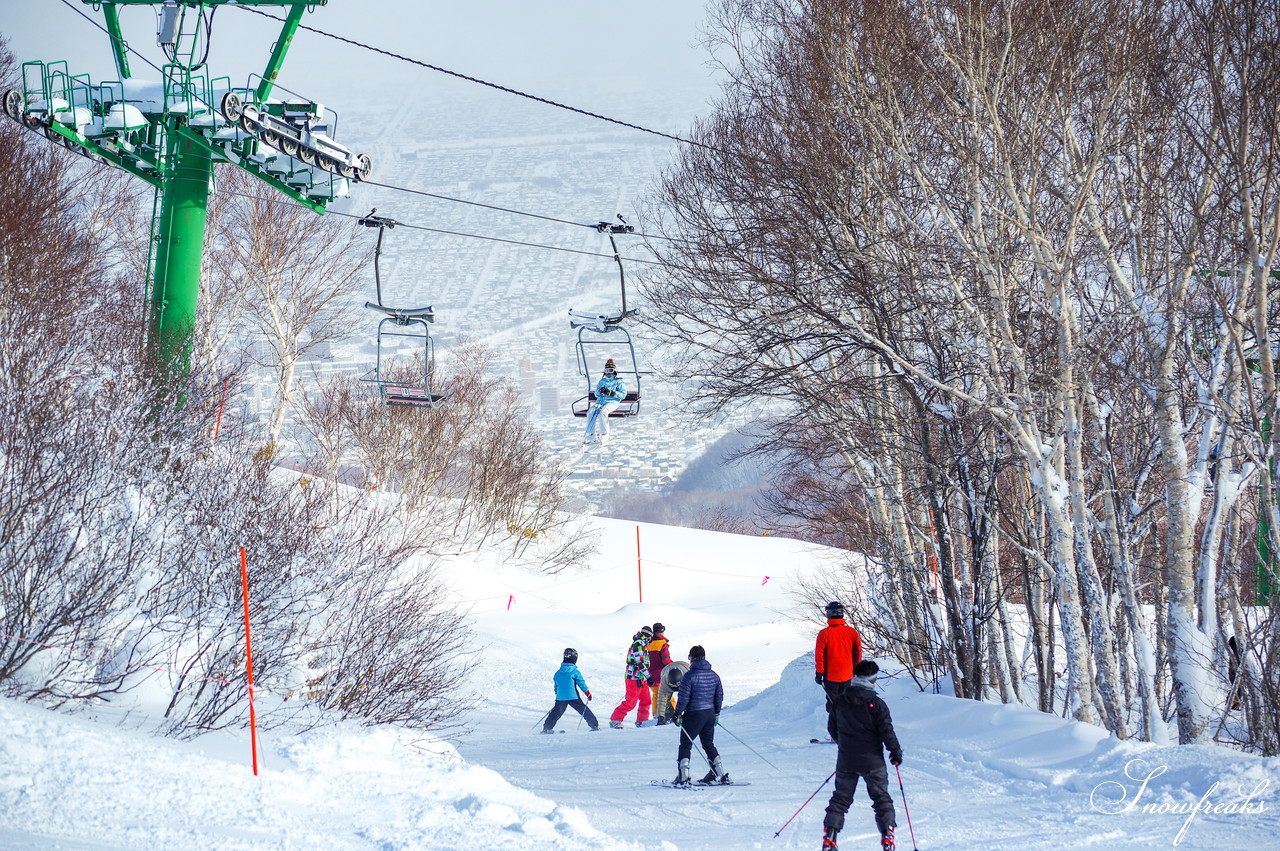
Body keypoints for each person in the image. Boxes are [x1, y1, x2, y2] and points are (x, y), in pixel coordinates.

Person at [822, 660, 903, 851]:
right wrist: (895, 752)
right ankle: (888, 837)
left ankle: (829, 838)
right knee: (881, 798)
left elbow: (832, 728)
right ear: (872, 680)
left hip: (847, 759)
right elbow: (887, 731)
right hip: (873, 760)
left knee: (840, 799)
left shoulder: (840, 701)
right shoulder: (876, 703)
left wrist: (846, 745)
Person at [673, 645, 728, 785]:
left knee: (685, 745)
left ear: (691, 659)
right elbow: (719, 696)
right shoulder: (714, 675)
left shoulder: (689, 676)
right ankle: (719, 773)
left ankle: (683, 777)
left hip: (693, 715)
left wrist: (678, 713)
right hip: (709, 714)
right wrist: (716, 713)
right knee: (708, 744)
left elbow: (683, 698)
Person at [815, 600, 863, 741]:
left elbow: (819, 654)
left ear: (828, 614)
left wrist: (819, 672)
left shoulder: (824, 634)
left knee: (833, 705)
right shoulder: (851, 632)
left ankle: (836, 734)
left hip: (831, 676)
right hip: (848, 674)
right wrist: (856, 669)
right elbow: (858, 652)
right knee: (848, 703)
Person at [542, 648, 599, 733]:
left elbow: (556, 686)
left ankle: (547, 728)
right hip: (573, 696)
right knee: (583, 710)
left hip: (561, 697)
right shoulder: (575, 672)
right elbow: (581, 683)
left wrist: (558, 693)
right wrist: (587, 693)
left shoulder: (558, 673)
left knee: (556, 713)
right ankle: (594, 726)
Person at [609, 626, 653, 728]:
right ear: (648, 636)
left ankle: (642, 721)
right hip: (633, 678)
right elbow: (639, 663)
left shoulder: (643, 645)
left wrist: (646, 677)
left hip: (641, 678)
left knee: (646, 700)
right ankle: (615, 720)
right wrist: (649, 676)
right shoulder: (638, 644)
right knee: (630, 702)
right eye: (650, 637)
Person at [583, 358, 627, 445]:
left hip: (612, 402)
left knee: (603, 412)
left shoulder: (618, 382)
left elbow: (623, 394)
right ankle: (591, 434)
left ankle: (605, 434)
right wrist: (600, 391)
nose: (608, 372)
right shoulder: (602, 381)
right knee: (590, 412)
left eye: (610, 370)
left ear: (614, 371)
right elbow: (596, 394)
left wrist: (611, 393)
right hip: (600, 402)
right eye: (606, 370)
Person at [646, 622, 673, 711]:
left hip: (650, 675)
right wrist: (673, 665)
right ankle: (674, 713)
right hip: (661, 676)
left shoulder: (648, 644)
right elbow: (666, 660)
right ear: (662, 632)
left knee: (656, 695)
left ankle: (655, 714)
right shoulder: (662, 644)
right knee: (668, 695)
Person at [654, 658, 690, 726]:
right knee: (666, 700)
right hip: (667, 670)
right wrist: (660, 717)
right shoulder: (665, 680)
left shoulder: (687, 677)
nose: (674, 687)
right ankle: (668, 717)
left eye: (676, 685)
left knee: (687, 698)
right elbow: (662, 699)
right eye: (672, 685)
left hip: (683, 668)